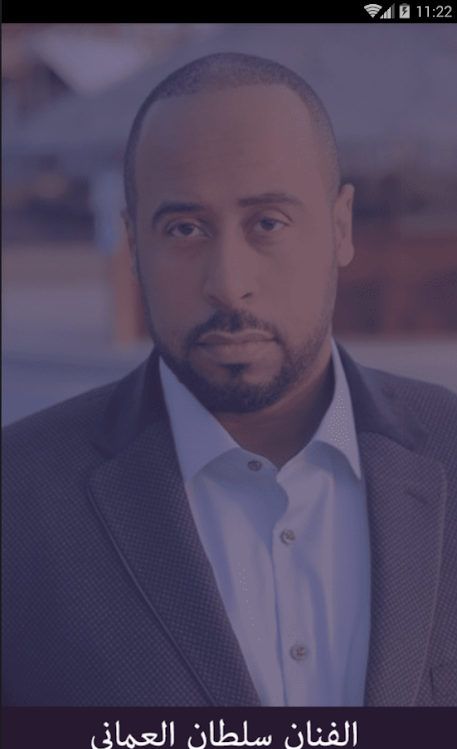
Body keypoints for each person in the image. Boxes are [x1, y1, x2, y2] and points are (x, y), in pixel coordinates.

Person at [2, 53, 456, 707]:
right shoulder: (18, 502)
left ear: (340, 227)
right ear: (134, 246)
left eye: (267, 223)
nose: (227, 282)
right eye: (184, 229)